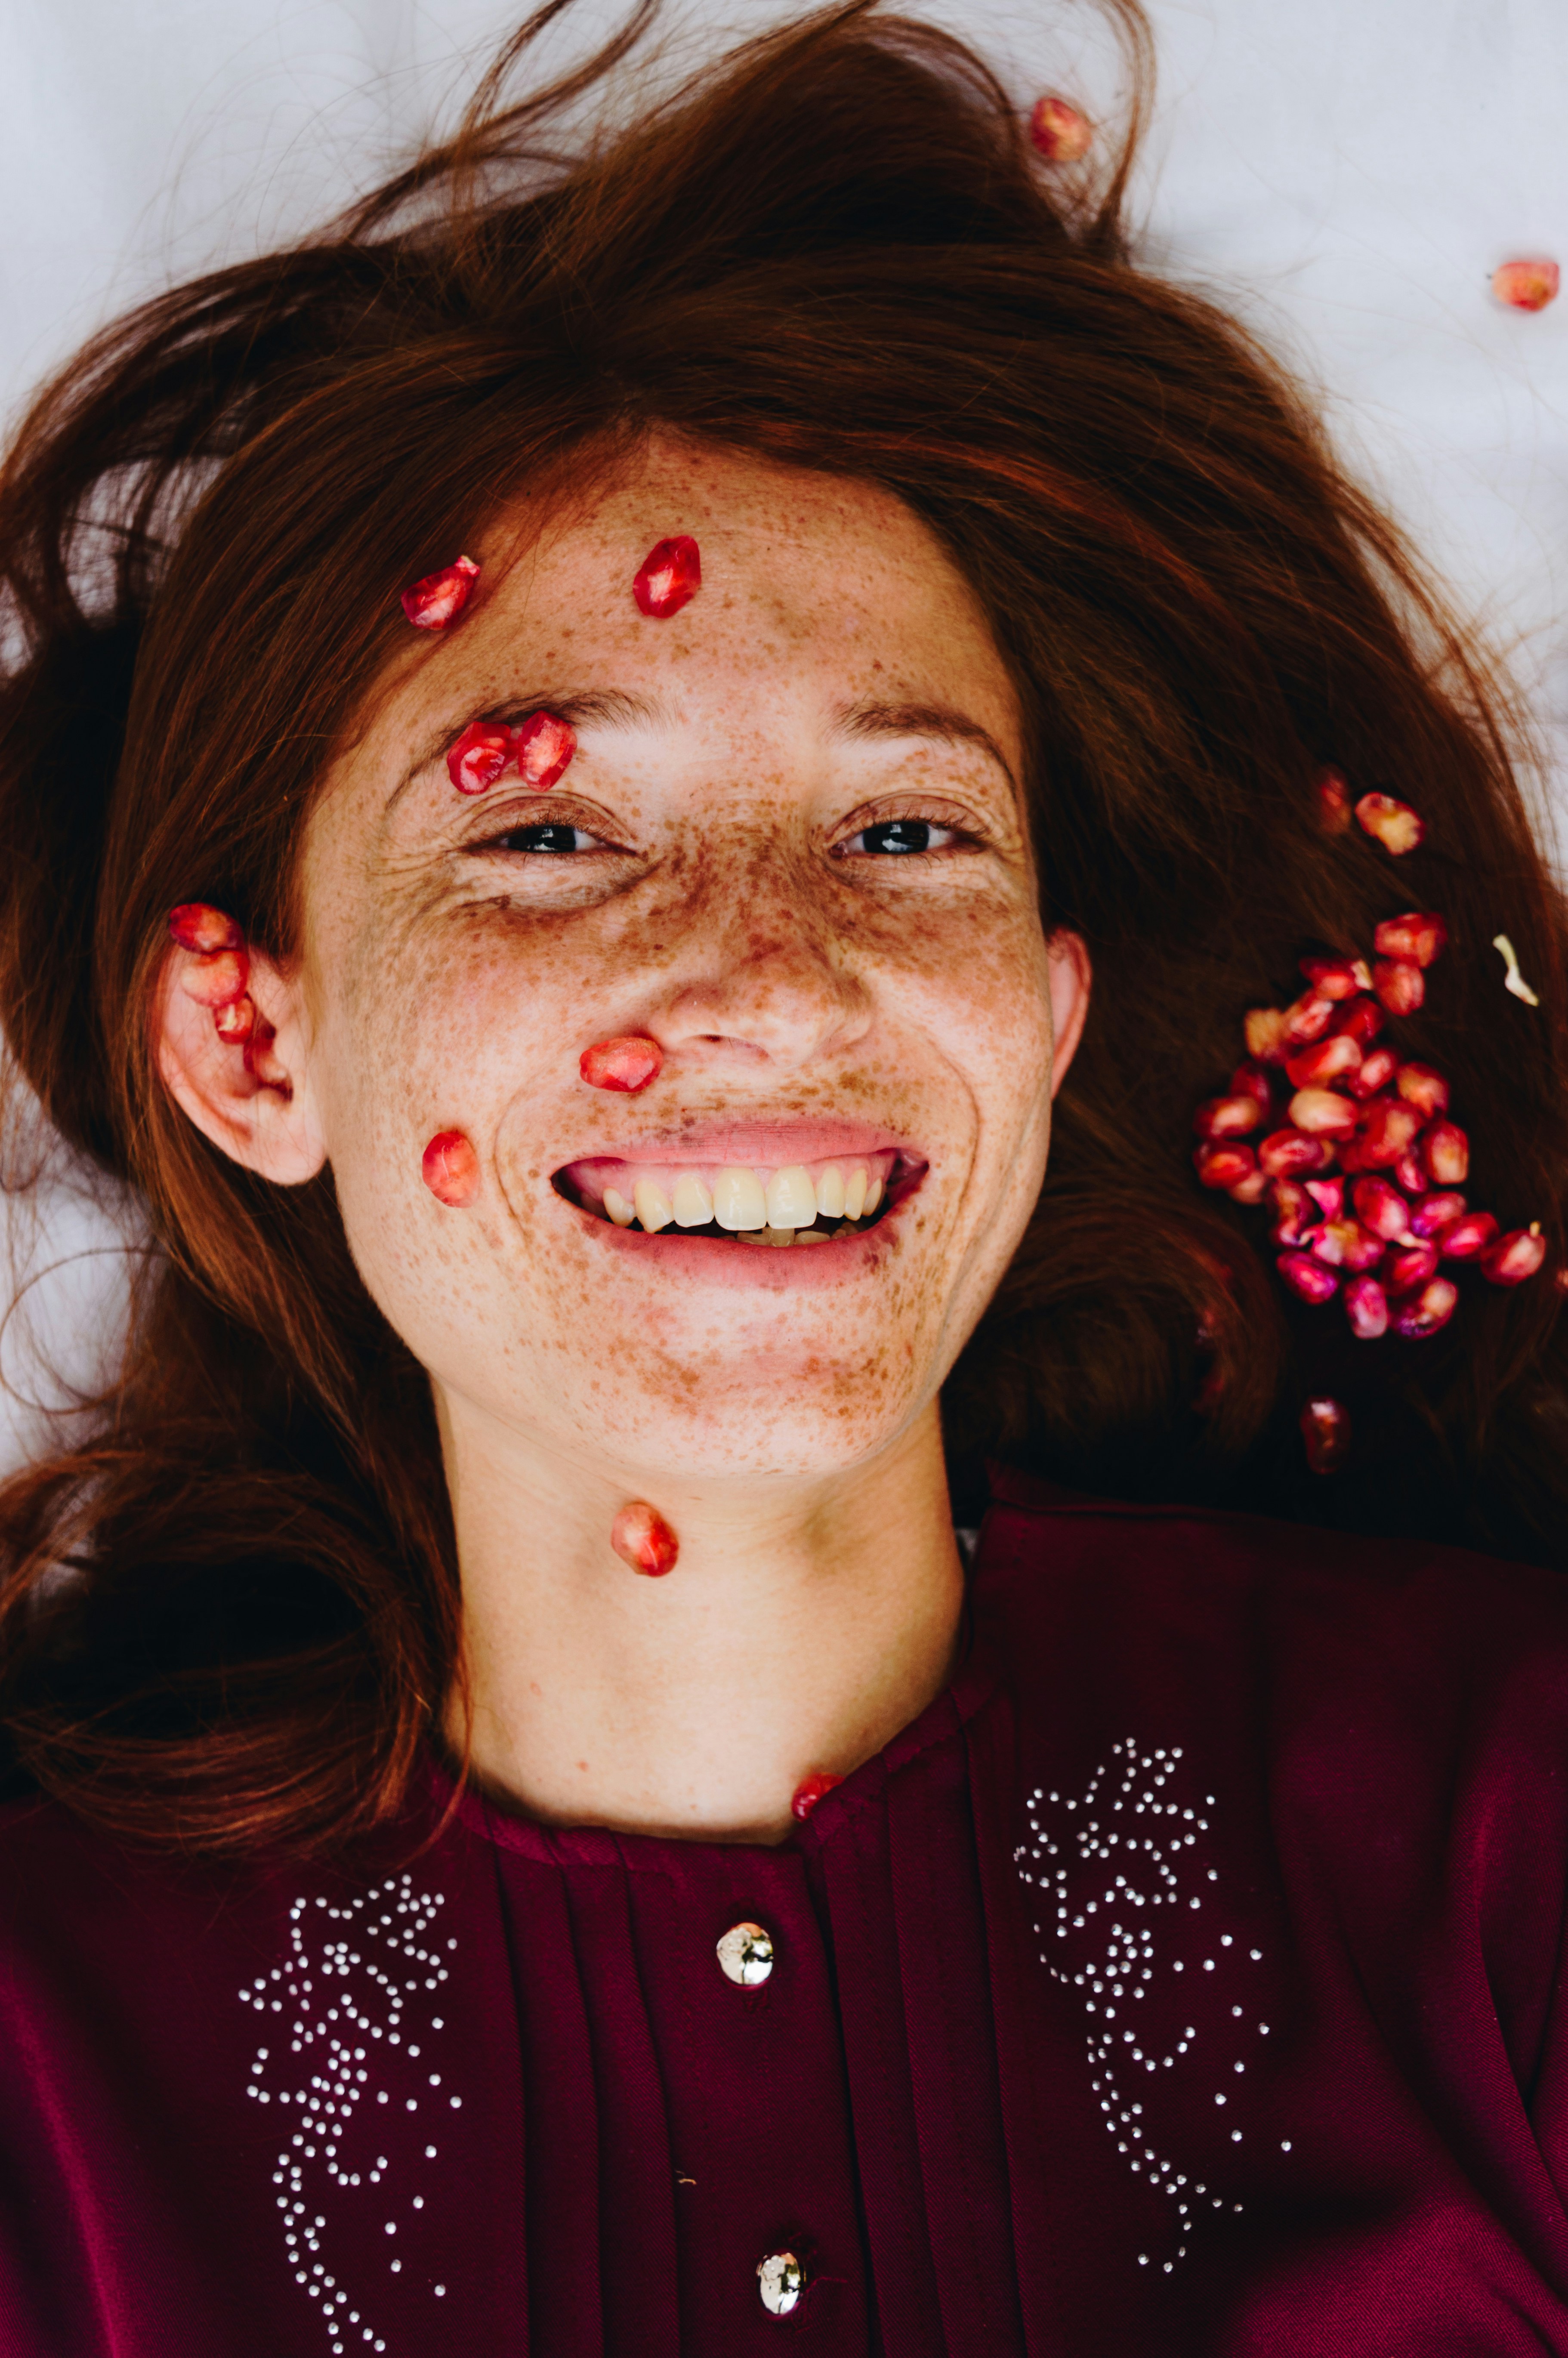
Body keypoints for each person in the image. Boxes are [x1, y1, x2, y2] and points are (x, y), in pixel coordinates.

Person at [0, 0, 1566, 2348]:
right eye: (548, 832)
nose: (771, 981)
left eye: (904, 829)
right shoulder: (42, 2070)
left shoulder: (1491, 1837)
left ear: (1038, 1021)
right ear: (253, 1035)